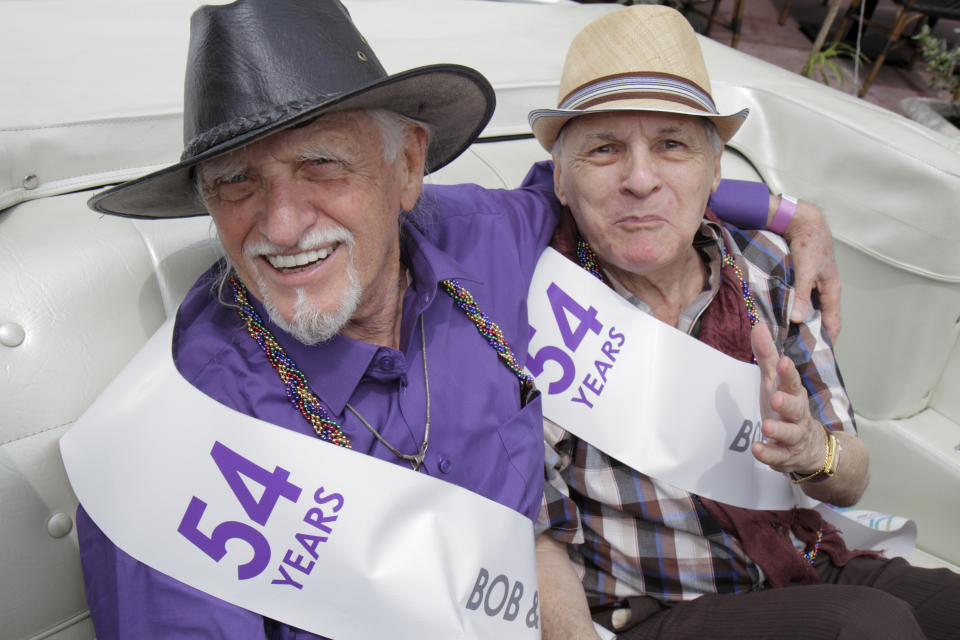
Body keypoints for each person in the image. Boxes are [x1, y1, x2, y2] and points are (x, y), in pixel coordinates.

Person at [69, 0, 841, 637]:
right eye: (235, 183)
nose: (281, 223)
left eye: (321, 166)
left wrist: (784, 212)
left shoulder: (473, 237)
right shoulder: (181, 446)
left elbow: (600, 186)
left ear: (408, 167)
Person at [531, 6, 960, 640]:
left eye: (673, 144)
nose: (641, 179)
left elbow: (852, 479)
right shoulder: (538, 302)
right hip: (658, 611)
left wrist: (814, 452)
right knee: (870, 628)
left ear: (714, 171)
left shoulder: (768, 267)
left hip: (801, 562)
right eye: (605, 148)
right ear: (561, 181)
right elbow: (532, 533)